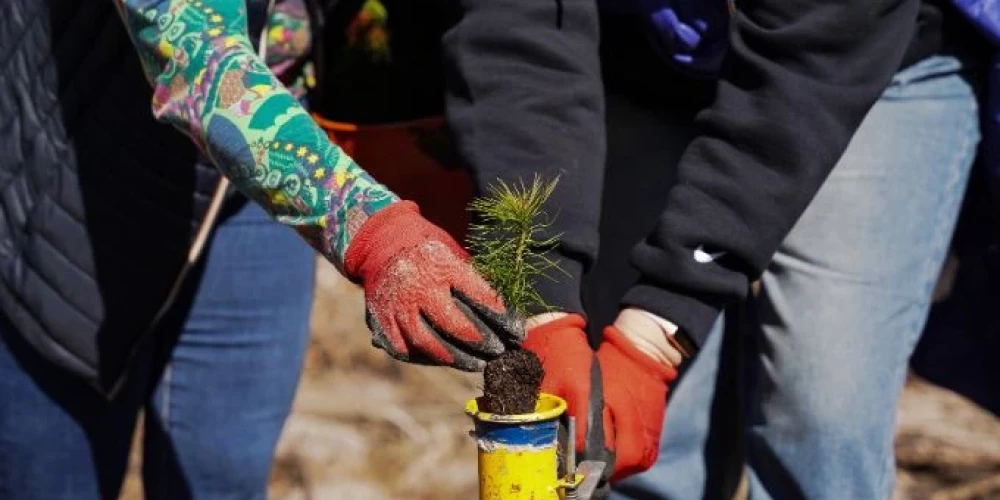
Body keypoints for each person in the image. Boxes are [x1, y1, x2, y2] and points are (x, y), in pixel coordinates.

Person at [439, 0, 987, 497]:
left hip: (855, 68)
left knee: (821, 416)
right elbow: (517, 33)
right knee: (635, 442)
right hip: (642, 59)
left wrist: (654, 337)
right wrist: (545, 304)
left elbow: (810, 71)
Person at [0, 1, 521, 498]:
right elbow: (199, 58)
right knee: (53, 472)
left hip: (264, 175)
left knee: (226, 470)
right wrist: (373, 229)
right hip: (77, 178)